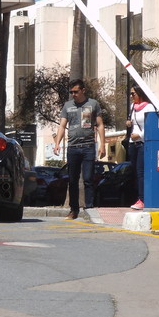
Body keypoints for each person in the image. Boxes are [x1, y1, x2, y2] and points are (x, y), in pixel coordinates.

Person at [53, 79, 106, 220]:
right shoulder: (67, 106)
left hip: (88, 146)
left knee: (88, 179)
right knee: (73, 180)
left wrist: (102, 145)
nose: (73, 94)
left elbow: (100, 125)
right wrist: (57, 143)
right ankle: (73, 210)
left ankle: (89, 208)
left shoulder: (93, 104)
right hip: (73, 147)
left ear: (83, 90)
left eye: (76, 91)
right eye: (71, 92)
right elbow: (62, 126)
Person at [125, 84, 155, 210]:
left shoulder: (149, 107)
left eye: (133, 94)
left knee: (141, 172)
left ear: (140, 93)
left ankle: (143, 199)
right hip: (133, 143)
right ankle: (138, 197)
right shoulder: (133, 107)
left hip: (143, 143)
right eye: (130, 94)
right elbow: (133, 125)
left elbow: (151, 126)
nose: (131, 96)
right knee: (135, 172)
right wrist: (128, 124)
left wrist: (140, 135)